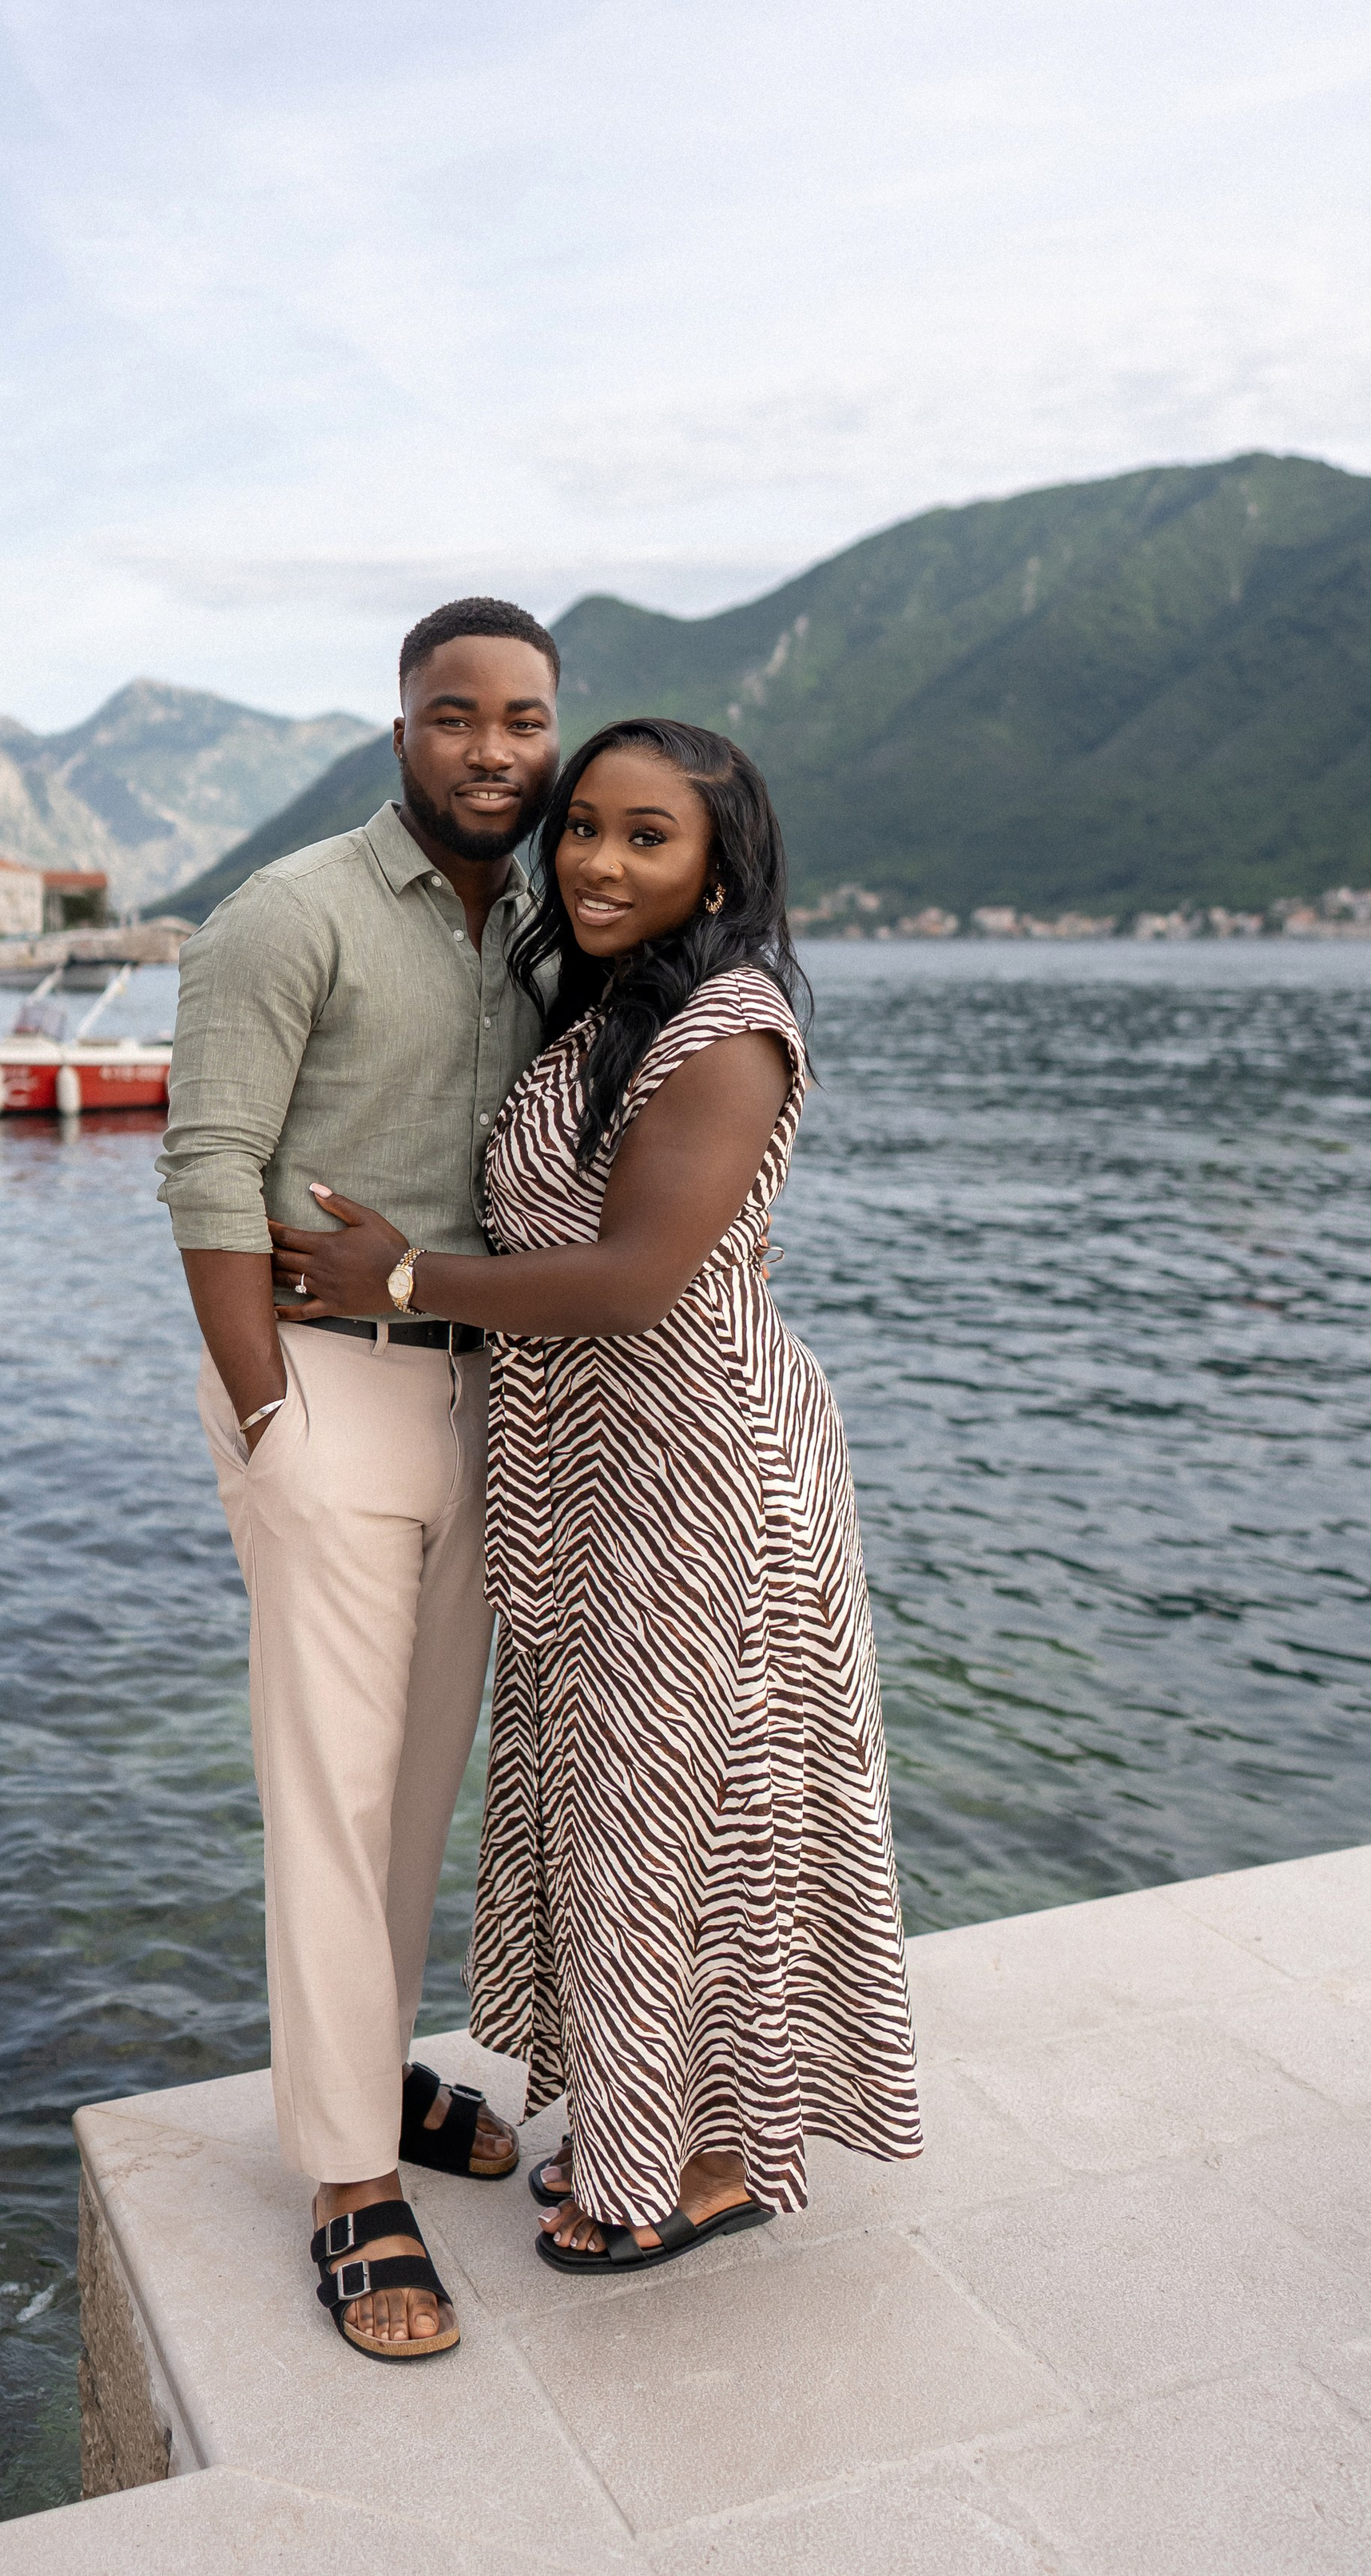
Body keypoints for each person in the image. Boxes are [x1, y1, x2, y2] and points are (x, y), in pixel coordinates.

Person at [272, 718, 922, 2270]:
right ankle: (648, 2118)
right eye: (582, 830)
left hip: (697, 1478)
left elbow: (635, 1279)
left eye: (647, 837)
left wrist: (405, 1276)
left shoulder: (730, 1029)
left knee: (702, 1819)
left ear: (715, 862)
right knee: (617, 1815)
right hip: (587, 1478)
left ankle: (713, 2157)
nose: (599, 862)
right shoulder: (609, 1013)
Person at [157, 597, 562, 2361]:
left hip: (487, 1392)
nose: (493, 750)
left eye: (524, 719)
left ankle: (372, 2073)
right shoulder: (288, 911)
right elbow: (205, 1173)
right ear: (399, 727)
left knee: (413, 1786)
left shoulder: (549, 922)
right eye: (456, 715)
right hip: (323, 1392)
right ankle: (341, 2180)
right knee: (328, 1784)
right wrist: (266, 1420)